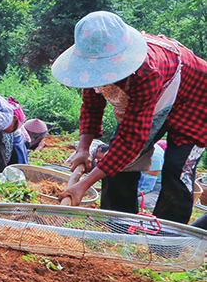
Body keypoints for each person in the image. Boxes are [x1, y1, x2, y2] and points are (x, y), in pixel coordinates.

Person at [54, 11, 207, 224]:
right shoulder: (90, 68)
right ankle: (118, 226)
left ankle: (164, 241)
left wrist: (84, 184)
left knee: (176, 170)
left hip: (194, 97)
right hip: (154, 100)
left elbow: (132, 140)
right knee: (118, 164)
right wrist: (82, 149)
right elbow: (91, 107)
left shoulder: (146, 71)